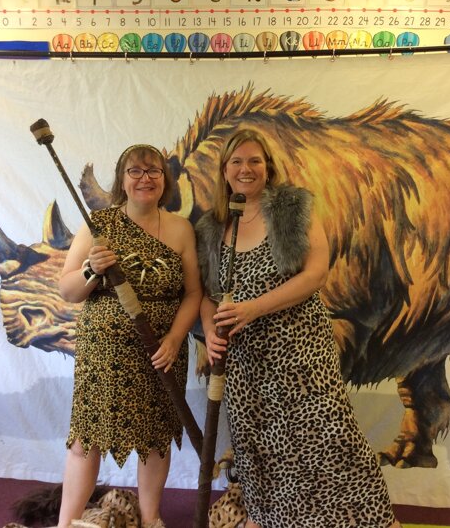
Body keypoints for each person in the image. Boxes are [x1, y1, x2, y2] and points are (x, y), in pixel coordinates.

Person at [195, 129, 401, 528]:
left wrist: (253, 309)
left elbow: (316, 274)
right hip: (245, 365)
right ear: (224, 170)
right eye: (236, 161)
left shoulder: (293, 207)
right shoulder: (211, 227)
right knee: (260, 449)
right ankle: (268, 520)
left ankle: (374, 522)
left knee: (332, 441)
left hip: (301, 352)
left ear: (268, 167)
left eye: (254, 160)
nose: (245, 169)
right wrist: (210, 331)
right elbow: (207, 294)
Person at [57, 144, 202, 528]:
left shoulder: (181, 229)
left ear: (165, 180)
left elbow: (193, 293)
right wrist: (91, 269)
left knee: (155, 440)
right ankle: (66, 523)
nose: (145, 178)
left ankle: (150, 518)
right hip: (104, 354)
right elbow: (68, 290)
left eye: (153, 171)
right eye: (135, 171)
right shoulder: (98, 225)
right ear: (122, 180)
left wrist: (174, 339)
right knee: (87, 439)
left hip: (162, 352)